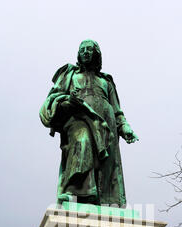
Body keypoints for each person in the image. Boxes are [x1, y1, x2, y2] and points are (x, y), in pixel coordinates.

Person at [39, 39, 138, 207]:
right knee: (81, 142)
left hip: (106, 124)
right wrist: (69, 101)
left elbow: (117, 110)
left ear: (96, 54)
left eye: (89, 50)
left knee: (107, 165)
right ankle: (76, 193)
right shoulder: (70, 75)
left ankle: (104, 201)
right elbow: (53, 100)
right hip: (79, 118)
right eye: (82, 49)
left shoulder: (106, 81)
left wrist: (125, 127)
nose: (85, 52)